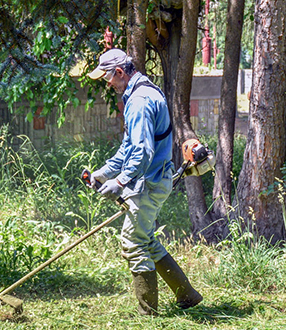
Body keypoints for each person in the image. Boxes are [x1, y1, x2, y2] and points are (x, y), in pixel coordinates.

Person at [86, 48, 202, 315]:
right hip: (153, 179)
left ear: (119, 72)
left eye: (108, 78)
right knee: (146, 239)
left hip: (147, 183)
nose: (108, 84)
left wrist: (122, 182)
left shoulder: (138, 101)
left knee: (133, 242)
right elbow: (129, 147)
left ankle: (147, 313)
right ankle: (187, 296)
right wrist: (103, 173)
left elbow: (142, 153)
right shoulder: (143, 92)